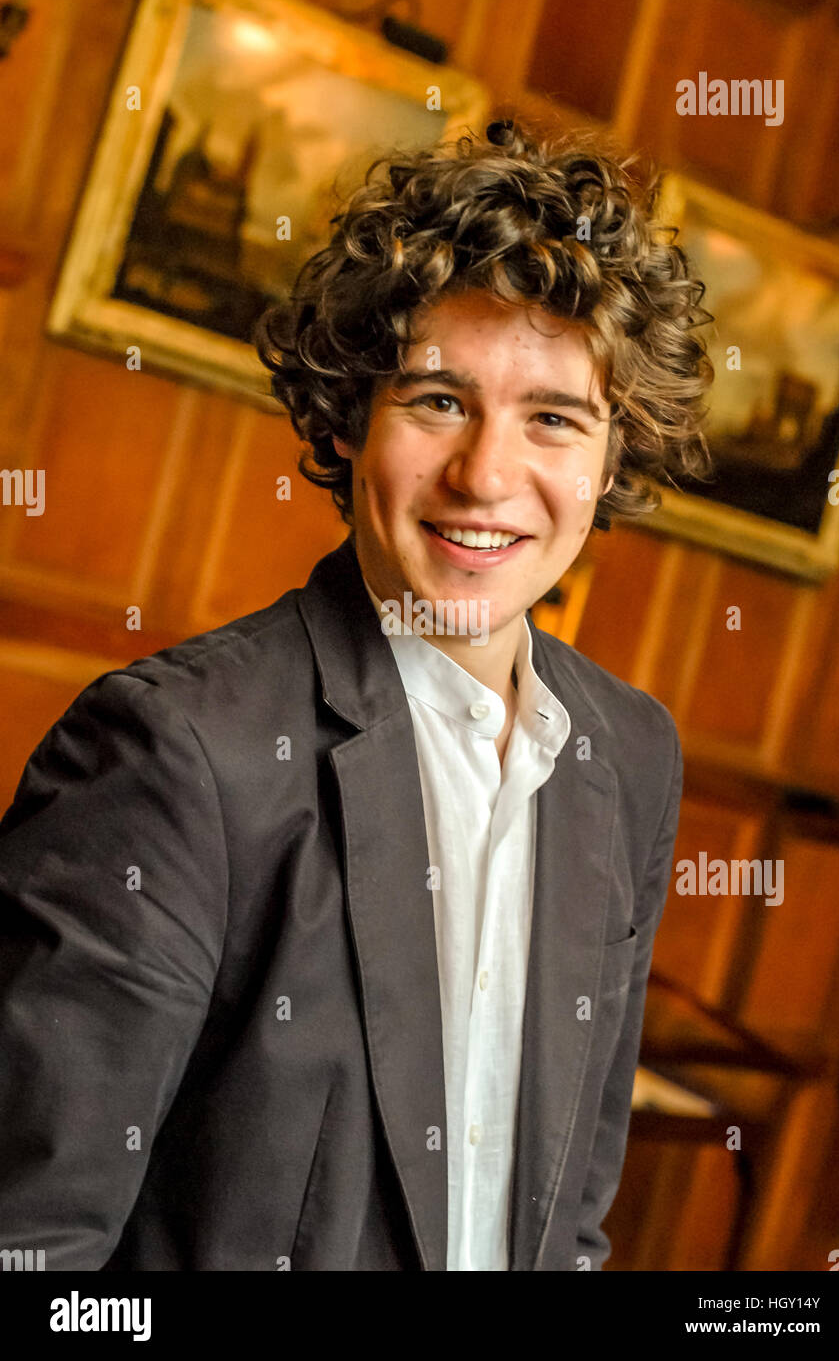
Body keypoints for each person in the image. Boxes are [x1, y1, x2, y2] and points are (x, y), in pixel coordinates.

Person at [0, 118, 711, 1271]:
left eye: (553, 419)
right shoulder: (175, 750)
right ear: (348, 418)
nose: (486, 476)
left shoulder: (629, 753)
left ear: (612, 458)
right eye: (437, 401)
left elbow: (568, 1219)